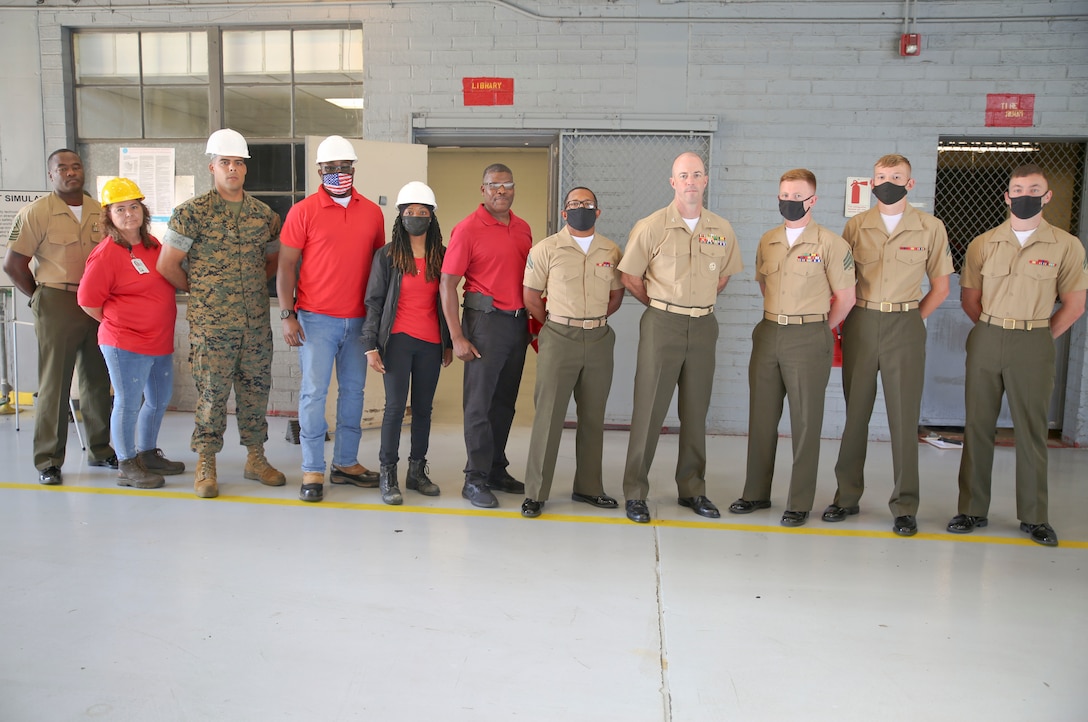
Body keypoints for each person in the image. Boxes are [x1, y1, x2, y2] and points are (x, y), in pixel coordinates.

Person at [948, 164, 1087, 547]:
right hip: (988, 336)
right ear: (1007, 196)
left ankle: (1035, 516)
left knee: (1031, 431)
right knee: (977, 425)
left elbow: (1075, 304)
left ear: (1047, 196)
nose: (1024, 194)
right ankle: (972, 509)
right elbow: (969, 299)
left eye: (1034, 188)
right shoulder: (983, 243)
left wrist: (1039, 336)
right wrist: (995, 328)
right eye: (1017, 188)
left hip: (1034, 339)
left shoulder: (1066, 245)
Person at [825, 154, 953, 536]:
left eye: (896, 177)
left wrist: (913, 318)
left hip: (905, 323)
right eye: (881, 176)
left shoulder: (930, 227)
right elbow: (842, 281)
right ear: (871, 182)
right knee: (856, 416)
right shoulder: (856, 226)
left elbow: (941, 286)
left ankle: (905, 505)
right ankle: (846, 497)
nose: (888, 182)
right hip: (862, 321)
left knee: (902, 419)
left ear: (910, 184)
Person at [157, 128, 285, 499]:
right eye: (225, 162)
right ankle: (206, 462)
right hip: (212, 325)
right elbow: (168, 265)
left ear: (245, 169)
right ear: (212, 167)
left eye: (238, 163)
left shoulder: (264, 216)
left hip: (255, 323)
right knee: (212, 394)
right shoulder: (191, 213)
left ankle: (255, 458)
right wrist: (203, 290)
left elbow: (274, 259)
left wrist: (245, 289)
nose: (232, 169)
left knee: (255, 390)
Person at [618, 152, 742, 524]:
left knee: (695, 410)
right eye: (683, 175)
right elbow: (630, 277)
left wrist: (696, 303)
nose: (690, 181)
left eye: (697, 174)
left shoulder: (721, 228)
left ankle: (692, 489)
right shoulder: (651, 226)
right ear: (673, 182)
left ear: (706, 181)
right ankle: (636, 492)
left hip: (703, 325)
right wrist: (660, 305)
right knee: (649, 409)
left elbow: (723, 276)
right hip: (662, 323)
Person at [729, 169, 856, 526]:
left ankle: (799, 501)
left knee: (805, 422)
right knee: (762, 417)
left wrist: (816, 329)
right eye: (784, 195)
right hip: (769, 332)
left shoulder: (831, 244)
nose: (789, 202)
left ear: (812, 200)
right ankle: (755, 493)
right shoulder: (768, 240)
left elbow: (846, 299)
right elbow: (764, 286)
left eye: (797, 197)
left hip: (809, 335)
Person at [276, 136, 386, 503]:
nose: (339, 173)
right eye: (331, 168)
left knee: (354, 393)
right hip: (314, 320)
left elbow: (378, 270)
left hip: (359, 323)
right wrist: (288, 314)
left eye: (345, 167)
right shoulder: (303, 211)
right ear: (319, 170)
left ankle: (346, 463)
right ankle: (312, 468)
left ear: (353, 169)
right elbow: (286, 265)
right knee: (313, 394)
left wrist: (377, 320)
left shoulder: (372, 212)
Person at [3, 149, 116, 485]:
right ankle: (49, 460)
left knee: (97, 379)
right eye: (62, 168)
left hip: (97, 304)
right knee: (55, 382)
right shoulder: (37, 212)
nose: (71, 172)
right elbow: (13, 264)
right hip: (57, 299)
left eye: (76, 166)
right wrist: (40, 297)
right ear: (51, 174)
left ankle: (100, 448)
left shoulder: (102, 211)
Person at [520, 186, 625, 518]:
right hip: (558, 337)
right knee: (549, 416)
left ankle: (589, 487)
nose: (582, 208)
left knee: (593, 417)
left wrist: (593, 321)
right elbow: (531, 297)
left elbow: (616, 296)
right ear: (564, 213)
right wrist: (559, 325)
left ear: (598, 211)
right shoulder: (546, 249)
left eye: (588, 204)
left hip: (598, 339)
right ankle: (536, 492)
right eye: (574, 204)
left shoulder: (611, 250)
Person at [77, 177, 184, 490]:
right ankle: (126, 463)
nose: (128, 214)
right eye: (120, 209)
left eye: (133, 207)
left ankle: (147, 453)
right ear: (109, 215)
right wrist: (116, 323)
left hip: (159, 341)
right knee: (127, 401)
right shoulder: (107, 253)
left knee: (159, 398)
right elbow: (87, 301)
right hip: (125, 343)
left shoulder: (153, 246)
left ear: (143, 210)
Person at [440, 164, 533, 509]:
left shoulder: (523, 230)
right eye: (494, 186)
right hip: (484, 323)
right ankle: (474, 478)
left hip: (516, 324)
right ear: (483, 190)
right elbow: (447, 284)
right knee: (479, 404)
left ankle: (495, 468)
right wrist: (457, 336)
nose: (501, 191)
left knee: (504, 403)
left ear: (513, 189)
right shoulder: (467, 229)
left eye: (507, 185)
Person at [362, 181, 453, 505]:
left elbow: (448, 303)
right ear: (400, 216)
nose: (416, 216)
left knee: (424, 410)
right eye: (410, 212)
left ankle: (417, 471)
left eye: (422, 212)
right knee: (395, 409)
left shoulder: (441, 255)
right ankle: (388, 473)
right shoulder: (387, 255)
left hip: (430, 344)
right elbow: (373, 302)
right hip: (397, 342)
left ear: (432, 217)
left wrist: (449, 343)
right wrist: (370, 344)